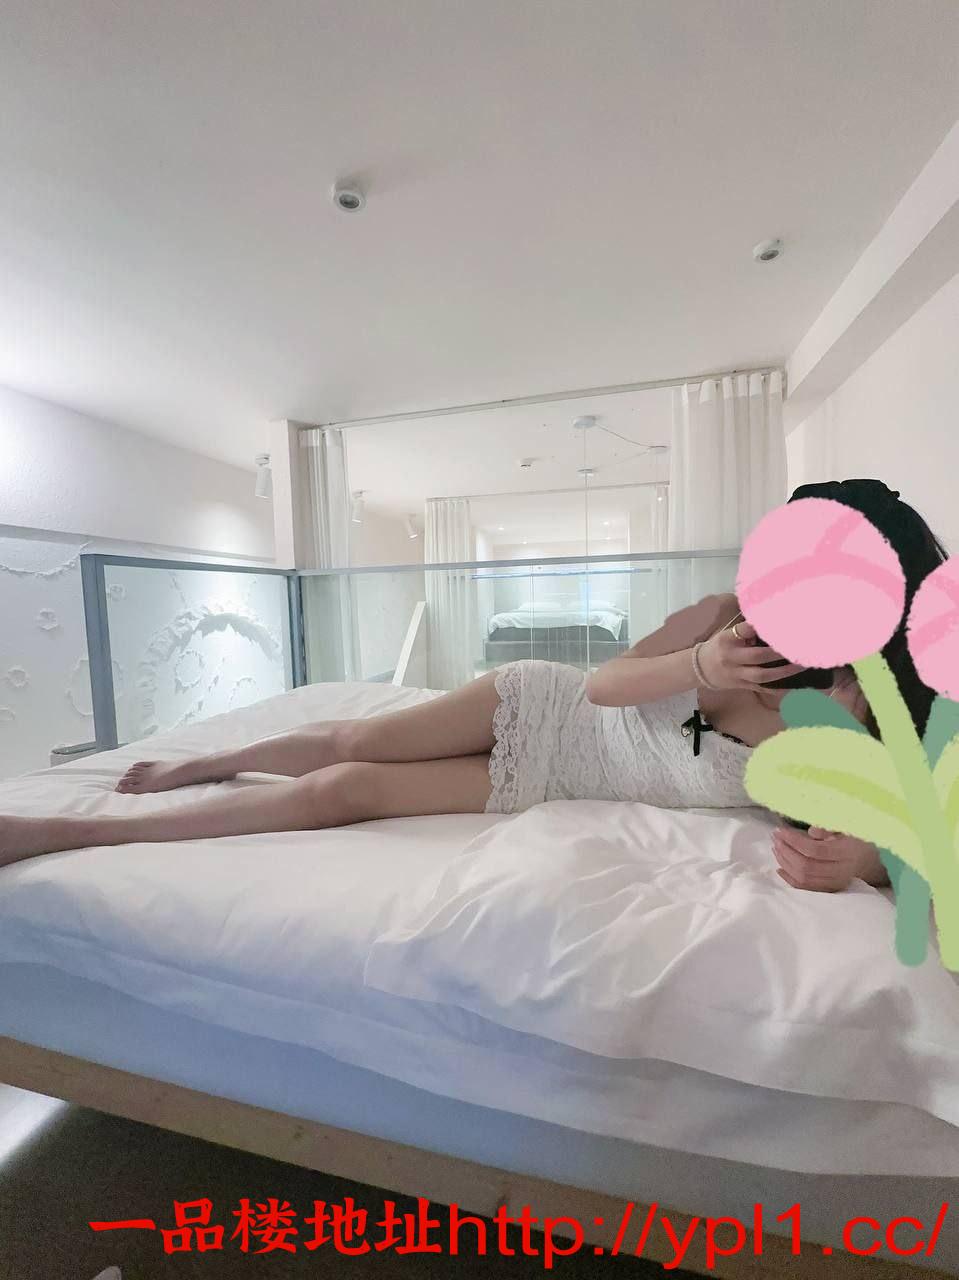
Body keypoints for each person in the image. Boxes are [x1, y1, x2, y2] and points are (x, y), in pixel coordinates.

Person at [0, 479, 946, 892]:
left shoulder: (858, 708)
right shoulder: (719, 616)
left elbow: (897, 837)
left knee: (343, 791)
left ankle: (80, 832)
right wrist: (699, 665)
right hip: (547, 702)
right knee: (349, 739)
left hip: (561, 780)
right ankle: (205, 764)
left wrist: (859, 862)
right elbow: (606, 685)